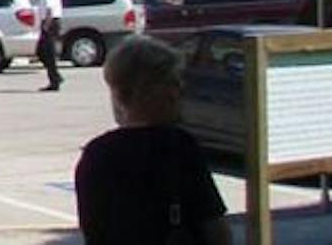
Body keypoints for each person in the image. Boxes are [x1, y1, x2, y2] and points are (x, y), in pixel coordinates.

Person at [75, 35, 230, 245]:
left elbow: (94, 232)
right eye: (174, 82)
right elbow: (216, 231)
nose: (180, 90)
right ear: (152, 90)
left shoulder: (97, 153)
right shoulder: (179, 146)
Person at [29, 0, 65, 91]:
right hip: (48, 22)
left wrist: (46, 25)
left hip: (51, 23)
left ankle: (54, 80)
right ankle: (56, 77)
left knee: (47, 53)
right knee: (42, 52)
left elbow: (50, 9)